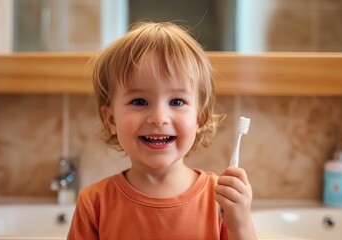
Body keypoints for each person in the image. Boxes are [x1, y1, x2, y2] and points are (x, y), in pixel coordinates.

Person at [67, 22, 257, 240]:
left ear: (199, 118)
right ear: (112, 119)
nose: (158, 118)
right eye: (139, 101)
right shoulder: (94, 204)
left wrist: (240, 224)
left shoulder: (221, 198)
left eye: (176, 101)